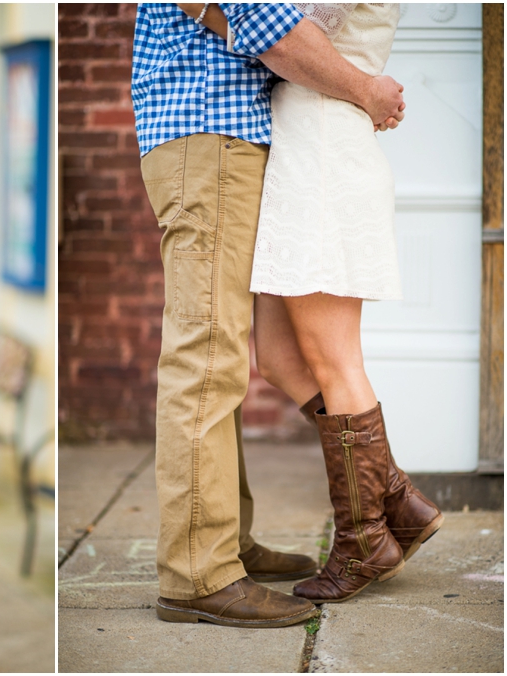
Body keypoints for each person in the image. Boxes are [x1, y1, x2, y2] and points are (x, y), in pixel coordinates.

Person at [131, 3, 407, 627]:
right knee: (206, 356)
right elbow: (264, 25)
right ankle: (198, 572)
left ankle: (226, 540)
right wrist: (367, 90)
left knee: (221, 353)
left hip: (214, 134)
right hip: (211, 132)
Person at [206, 4, 444, 603]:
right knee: (281, 360)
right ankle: (391, 493)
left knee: (336, 362)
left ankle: (363, 542)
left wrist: (206, 11)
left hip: (323, 150)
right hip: (297, 150)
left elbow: (283, 30)